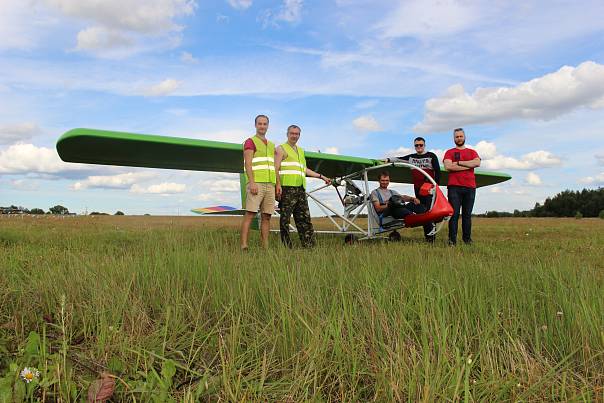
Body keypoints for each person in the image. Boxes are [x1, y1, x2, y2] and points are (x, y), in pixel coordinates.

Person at [274, 125, 331, 248]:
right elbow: (276, 168)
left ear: (299, 135)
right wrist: (278, 185)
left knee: (305, 218)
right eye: (292, 133)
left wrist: (322, 176)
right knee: (285, 220)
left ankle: (309, 245)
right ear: (287, 134)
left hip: (300, 189)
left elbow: (304, 169)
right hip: (287, 189)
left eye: (297, 134)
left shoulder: (300, 151)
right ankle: (286, 246)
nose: (294, 136)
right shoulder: (280, 149)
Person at [385, 136, 441, 242]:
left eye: (421, 145)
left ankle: (431, 239)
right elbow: (398, 159)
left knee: (429, 213)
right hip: (418, 191)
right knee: (422, 212)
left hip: (429, 190)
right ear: (414, 146)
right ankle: (428, 237)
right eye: (416, 145)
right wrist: (388, 159)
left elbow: (437, 172)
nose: (419, 147)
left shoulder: (431, 156)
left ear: (424, 145)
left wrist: (436, 187)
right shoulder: (411, 158)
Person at [240, 115, 276, 250]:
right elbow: (247, 164)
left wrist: (276, 184)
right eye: (260, 124)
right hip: (257, 183)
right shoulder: (250, 141)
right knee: (250, 214)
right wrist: (252, 182)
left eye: (265, 124)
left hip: (270, 184)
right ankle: (244, 245)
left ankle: (265, 246)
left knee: (267, 216)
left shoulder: (271, 145)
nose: (262, 126)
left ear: (268, 126)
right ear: (255, 125)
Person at [443, 128, 481, 245]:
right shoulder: (449, 152)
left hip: (470, 187)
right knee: (453, 215)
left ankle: (467, 240)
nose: (459, 138)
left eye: (460, 136)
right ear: (454, 138)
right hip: (454, 187)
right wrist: (468, 165)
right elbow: (448, 167)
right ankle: (452, 241)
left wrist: (459, 162)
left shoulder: (472, 152)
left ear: (464, 137)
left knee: (467, 215)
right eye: (456, 137)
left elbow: (477, 163)